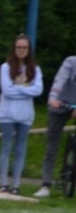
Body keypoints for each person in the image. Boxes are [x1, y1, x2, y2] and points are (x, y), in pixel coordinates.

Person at [0, 35, 42, 195]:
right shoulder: (5, 67)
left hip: (26, 114)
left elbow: (38, 90)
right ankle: (3, 183)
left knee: (20, 148)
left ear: (28, 50)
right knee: (6, 146)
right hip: (7, 113)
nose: (21, 50)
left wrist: (19, 88)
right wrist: (26, 90)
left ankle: (16, 184)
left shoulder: (35, 69)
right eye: (18, 47)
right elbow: (7, 91)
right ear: (14, 49)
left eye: (24, 48)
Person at [33, 55, 76, 198]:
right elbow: (60, 79)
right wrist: (53, 98)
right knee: (52, 144)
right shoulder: (70, 61)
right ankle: (45, 185)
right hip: (61, 102)